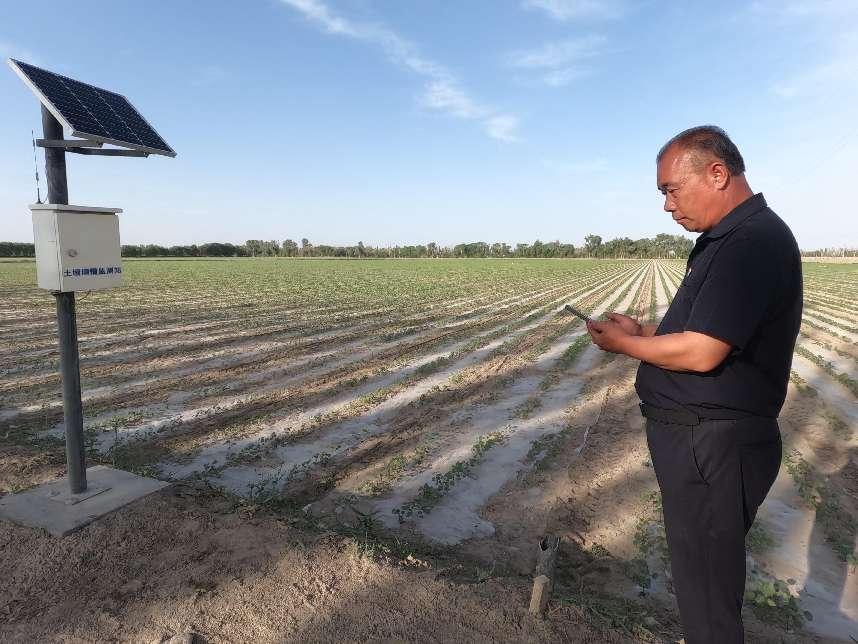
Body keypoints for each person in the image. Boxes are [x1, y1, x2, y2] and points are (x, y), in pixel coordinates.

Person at [586, 125, 802, 643]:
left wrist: (625, 345)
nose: (667, 206)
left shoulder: (750, 243)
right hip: (704, 441)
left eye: (671, 190)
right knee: (701, 578)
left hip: (713, 444)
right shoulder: (727, 240)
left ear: (717, 173)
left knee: (707, 592)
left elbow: (703, 352)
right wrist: (643, 331)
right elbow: (706, 331)